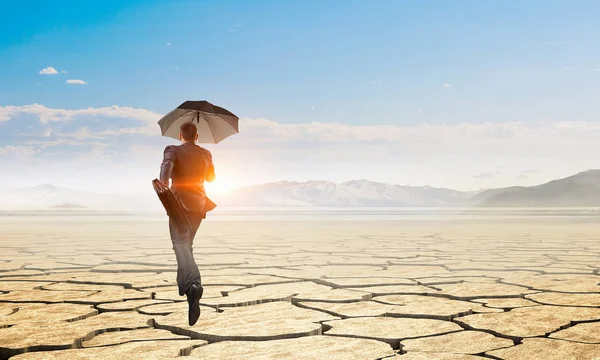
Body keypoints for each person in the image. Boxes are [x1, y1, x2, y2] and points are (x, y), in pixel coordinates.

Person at [159, 121, 216, 326]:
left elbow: (166, 167)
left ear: (180, 136)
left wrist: (163, 182)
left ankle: (193, 286)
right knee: (186, 245)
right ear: (197, 136)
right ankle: (185, 288)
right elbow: (211, 178)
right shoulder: (206, 153)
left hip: (179, 205)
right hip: (199, 206)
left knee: (180, 244)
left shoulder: (172, 149)